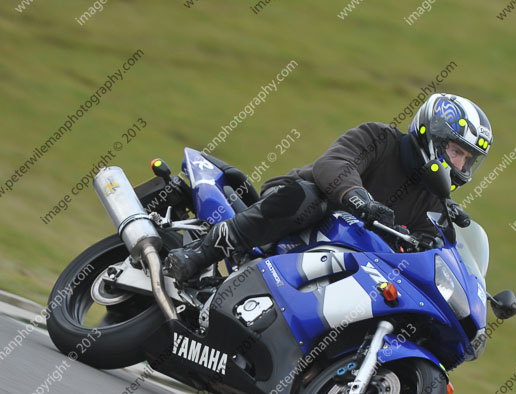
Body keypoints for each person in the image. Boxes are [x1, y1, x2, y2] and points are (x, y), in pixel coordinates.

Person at [165, 93, 493, 284]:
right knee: (310, 201)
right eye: (456, 151)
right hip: (300, 207)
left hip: (345, 258)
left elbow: (431, 252)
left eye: (467, 158)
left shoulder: (433, 202)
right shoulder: (381, 138)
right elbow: (333, 166)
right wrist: (359, 200)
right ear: (431, 135)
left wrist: (470, 283)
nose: (460, 164)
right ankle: (203, 251)